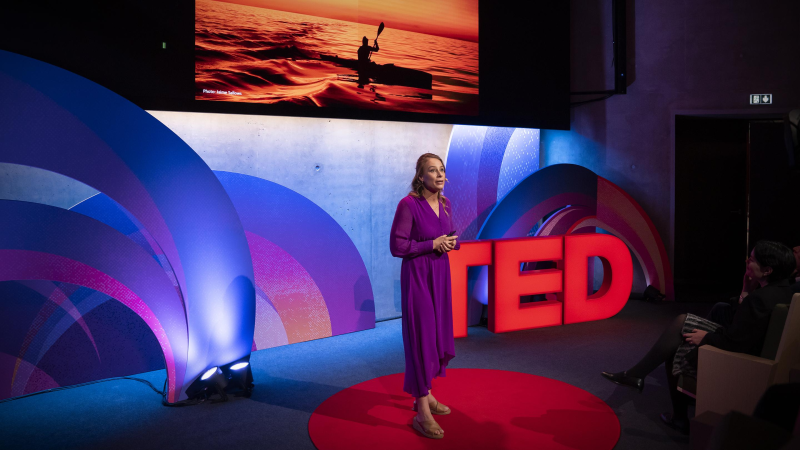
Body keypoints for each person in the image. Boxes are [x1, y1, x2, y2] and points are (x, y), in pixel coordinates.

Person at [601, 240, 797, 433]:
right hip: (750, 351)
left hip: (742, 362)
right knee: (682, 326)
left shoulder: (760, 300)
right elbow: (742, 324)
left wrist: (706, 338)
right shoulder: (784, 292)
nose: (747, 261)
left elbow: (735, 342)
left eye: (752, 259)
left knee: (679, 333)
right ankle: (637, 377)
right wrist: (746, 290)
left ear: (767, 270)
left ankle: (649, 389)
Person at [390, 153, 459, 440]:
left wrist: (451, 243)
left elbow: (448, 234)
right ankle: (422, 412)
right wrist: (431, 244)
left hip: (440, 275)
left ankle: (426, 394)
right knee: (420, 339)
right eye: (433, 170)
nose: (440, 175)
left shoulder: (445, 203)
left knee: (435, 337)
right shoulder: (408, 205)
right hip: (418, 277)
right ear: (421, 177)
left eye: (442, 169)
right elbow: (397, 246)